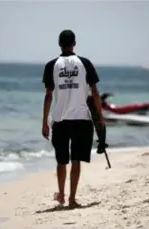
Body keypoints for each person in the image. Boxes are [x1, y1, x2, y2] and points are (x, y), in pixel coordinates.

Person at [41, 29, 104, 209]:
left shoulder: (51, 65)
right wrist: (100, 116)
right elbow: (95, 92)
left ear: (59, 44)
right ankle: (72, 199)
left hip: (60, 120)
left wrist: (44, 121)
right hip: (82, 119)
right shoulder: (85, 63)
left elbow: (48, 96)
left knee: (61, 160)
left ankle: (61, 194)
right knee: (76, 160)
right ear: (74, 43)